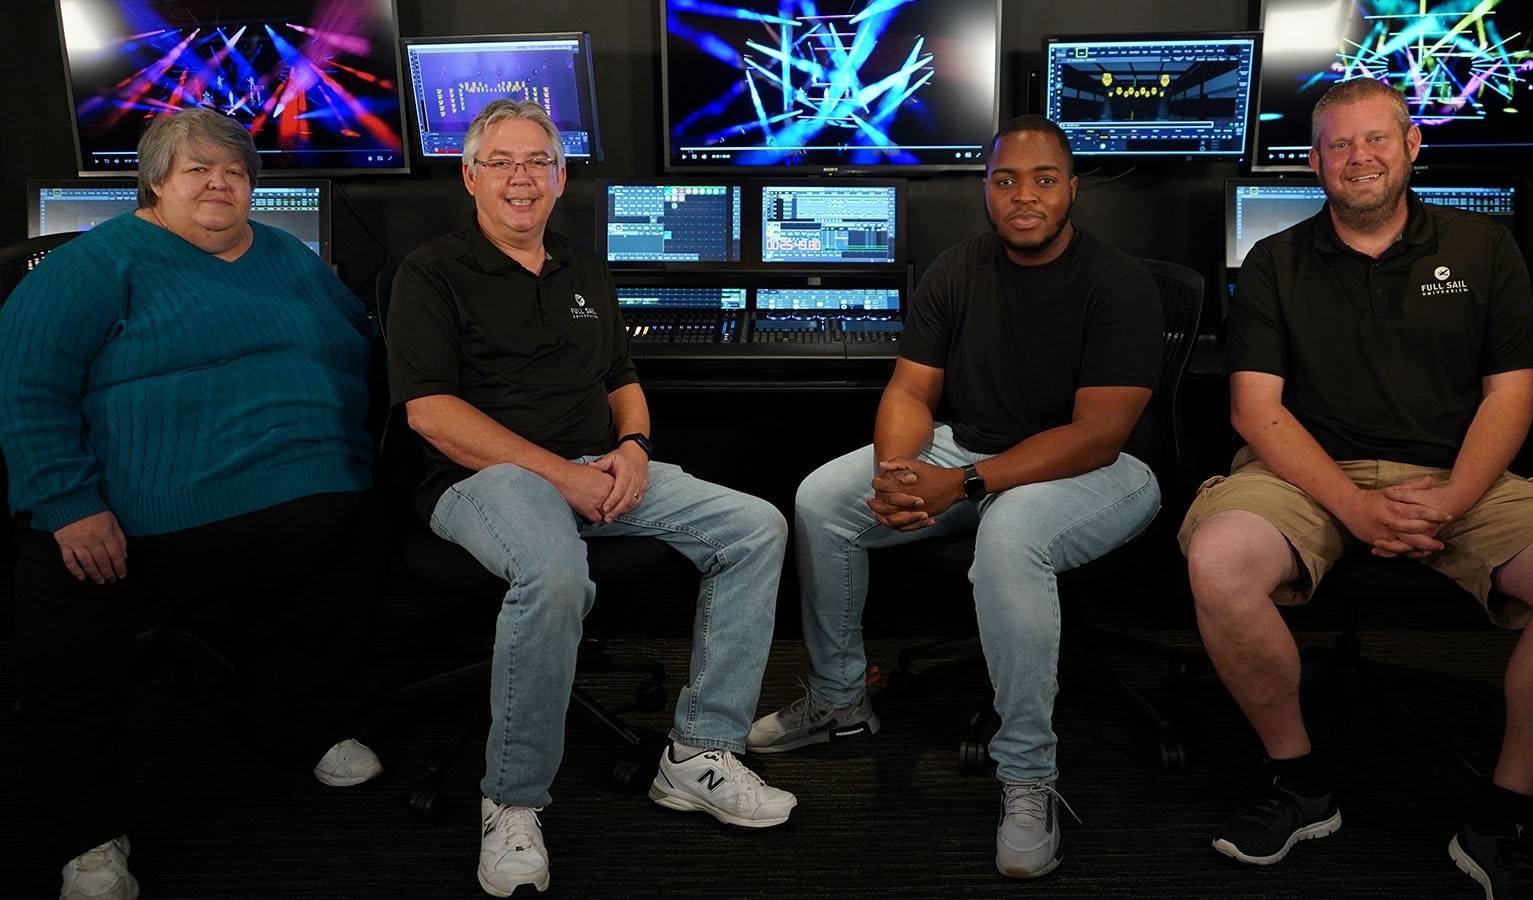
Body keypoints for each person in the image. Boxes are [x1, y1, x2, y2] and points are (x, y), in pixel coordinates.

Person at [1179, 77, 1533, 898]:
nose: (1359, 158)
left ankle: (1499, 817)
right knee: (1218, 563)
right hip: (1305, 475)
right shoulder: (1275, 260)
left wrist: (1447, 499)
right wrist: (1357, 505)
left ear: (1412, 146)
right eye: (1340, 145)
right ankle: (1301, 788)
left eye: (1377, 139)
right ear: (1315, 162)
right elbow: (1254, 411)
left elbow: (1511, 394)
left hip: (1458, 472)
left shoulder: (1484, 247)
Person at [383, 98, 794, 897]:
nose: (520, 178)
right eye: (500, 162)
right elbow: (431, 414)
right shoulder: (431, 272)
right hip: (481, 481)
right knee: (558, 574)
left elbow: (621, 377)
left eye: (537, 162)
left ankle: (698, 753)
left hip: (595, 467)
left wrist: (634, 448)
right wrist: (565, 475)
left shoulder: (583, 265)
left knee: (757, 527)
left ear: (562, 177)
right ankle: (511, 801)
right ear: (469, 176)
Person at [745, 114, 1164, 879]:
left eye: (1043, 180)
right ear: (987, 191)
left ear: (1072, 188)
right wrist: (902, 475)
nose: (1024, 196)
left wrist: (959, 485)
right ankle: (841, 700)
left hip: (1097, 473)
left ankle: (1028, 773)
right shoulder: (957, 268)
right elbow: (910, 388)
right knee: (819, 500)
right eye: (1006, 181)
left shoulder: (1118, 283)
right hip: (967, 449)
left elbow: (1099, 433)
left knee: (1008, 535)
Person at [0, 108, 385, 900]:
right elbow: (27, 390)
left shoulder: (287, 256)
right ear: (156, 181)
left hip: (304, 505)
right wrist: (70, 504)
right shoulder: (96, 265)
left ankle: (300, 724)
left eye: (236, 172)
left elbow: (361, 342)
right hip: (130, 521)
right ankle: (90, 835)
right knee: (64, 637)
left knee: (364, 546)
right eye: (198, 170)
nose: (220, 183)